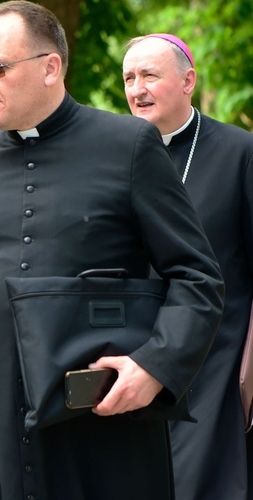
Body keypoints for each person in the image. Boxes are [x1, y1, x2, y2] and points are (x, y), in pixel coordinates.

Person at [0, 2, 225, 499]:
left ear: (51, 67)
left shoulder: (129, 145)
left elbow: (198, 278)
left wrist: (156, 365)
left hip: (96, 428)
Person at [123, 34, 253, 500]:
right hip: (131, 361)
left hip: (214, 365)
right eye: (129, 78)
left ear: (187, 81)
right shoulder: (115, 156)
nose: (137, 88)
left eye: (149, 75)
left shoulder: (241, 153)